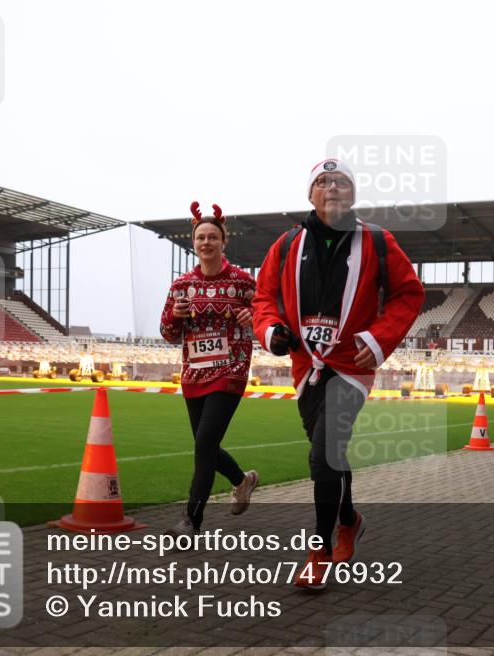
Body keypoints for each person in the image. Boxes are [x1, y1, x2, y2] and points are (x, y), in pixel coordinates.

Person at [253, 158, 424, 589]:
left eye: (342, 182)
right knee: (330, 453)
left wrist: (380, 338)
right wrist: (271, 330)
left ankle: (320, 549)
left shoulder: (378, 241)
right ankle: (349, 520)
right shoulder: (287, 244)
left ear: (354, 194)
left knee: (323, 454)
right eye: (323, 182)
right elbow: (264, 298)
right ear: (310, 194)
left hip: (351, 366)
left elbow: (408, 292)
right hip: (305, 367)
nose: (332, 188)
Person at [159, 202, 259, 539]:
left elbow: (267, 319)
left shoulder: (244, 283)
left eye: (212, 237)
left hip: (230, 370)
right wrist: (176, 316)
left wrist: (254, 318)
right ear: (194, 242)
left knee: (203, 443)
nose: (206, 242)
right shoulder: (181, 286)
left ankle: (191, 521)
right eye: (200, 237)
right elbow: (169, 335)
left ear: (223, 242)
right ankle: (242, 481)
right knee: (206, 447)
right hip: (194, 374)